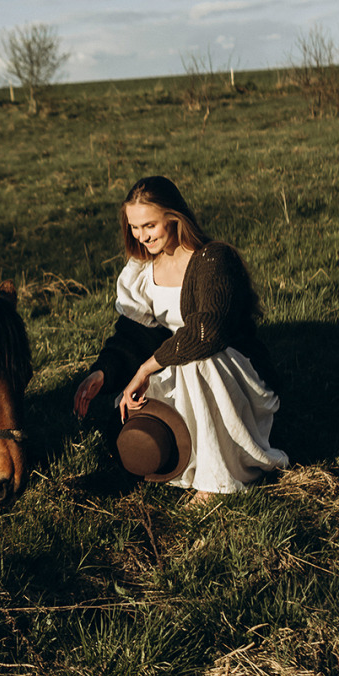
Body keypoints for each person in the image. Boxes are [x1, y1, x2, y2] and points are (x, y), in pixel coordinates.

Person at [72, 176, 287, 499]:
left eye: (150, 226)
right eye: (134, 227)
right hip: (178, 362)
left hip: (229, 371)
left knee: (195, 358)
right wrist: (103, 373)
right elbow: (131, 336)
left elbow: (206, 333)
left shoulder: (212, 260)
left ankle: (216, 481)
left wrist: (146, 370)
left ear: (174, 217)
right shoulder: (141, 271)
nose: (142, 236)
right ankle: (176, 462)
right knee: (148, 401)